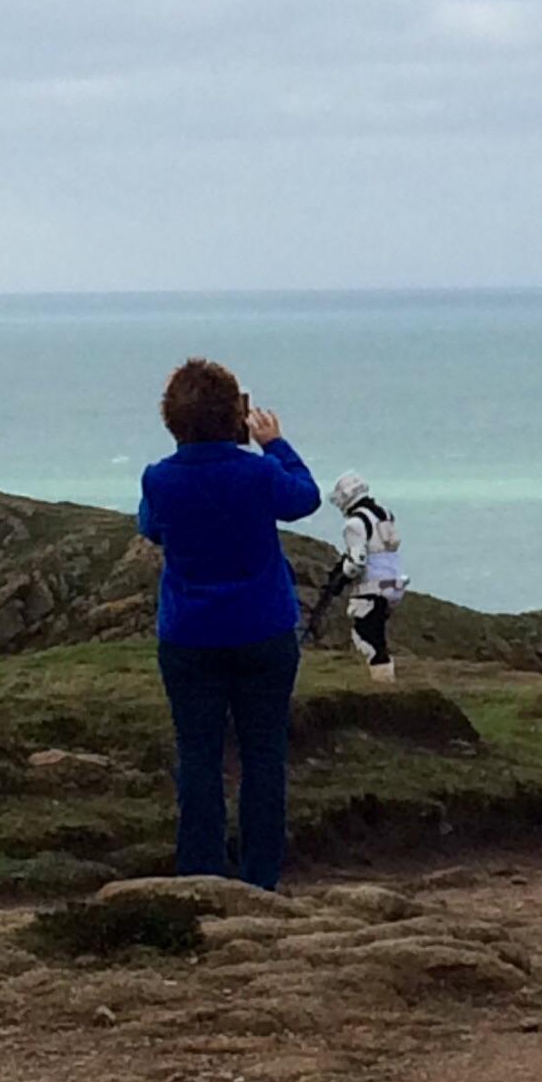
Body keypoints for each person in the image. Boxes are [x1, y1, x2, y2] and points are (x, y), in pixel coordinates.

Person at [137, 359, 321, 891]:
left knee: (198, 756)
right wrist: (275, 444)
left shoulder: (160, 478)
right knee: (264, 757)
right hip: (263, 629)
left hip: (189, 635)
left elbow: (150, 527)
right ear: (234, 416)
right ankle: (260, 880)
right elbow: (304, 498)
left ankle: (201, 876)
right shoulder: (259, 472)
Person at [327, 471, 408, 683]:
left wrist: (340, 580)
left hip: (371, 585)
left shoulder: (355, 523)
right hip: (395, 582)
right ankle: (385, 680)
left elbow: (357, 562)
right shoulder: (385, 514)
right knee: (377, 634)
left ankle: (382, 683)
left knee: (366, 636)